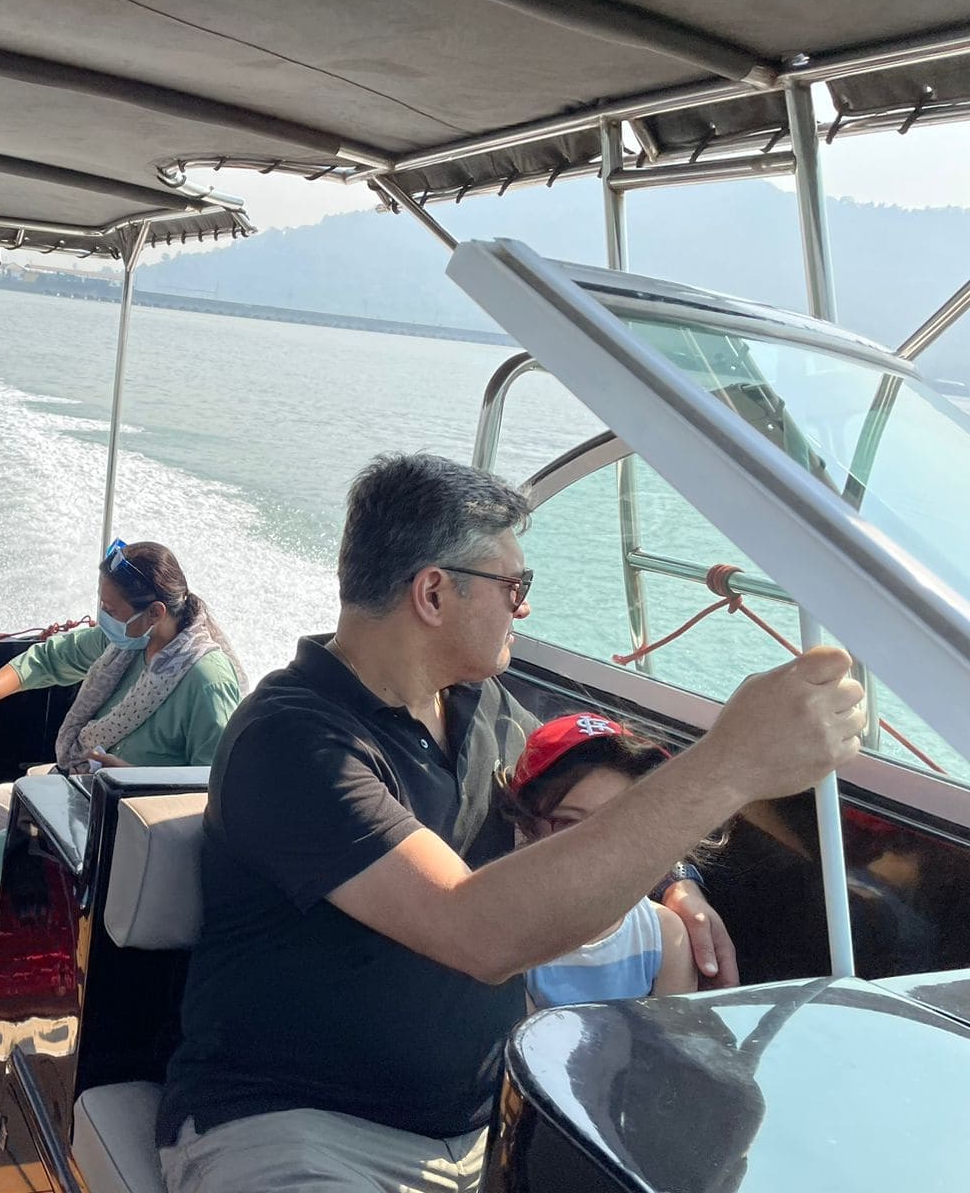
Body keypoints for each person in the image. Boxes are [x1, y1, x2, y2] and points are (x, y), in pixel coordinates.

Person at [156, 452, 865, 1193]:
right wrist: (732, 764)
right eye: (513, 585)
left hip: (482, 1129)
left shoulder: (481, 711)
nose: (523, 606)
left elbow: (605, 796)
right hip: (296, 1131)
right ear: (433, 592)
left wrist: (675, 879)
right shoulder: (297, 741)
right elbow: (475, 933)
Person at [0, 540, 246, 1000]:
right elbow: (48, 659)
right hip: (83, 792)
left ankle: (24, 975)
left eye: (110, 607)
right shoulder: (126, 643)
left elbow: (214, 795)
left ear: (154, 612)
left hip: (138, 828)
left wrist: (132, 778)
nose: (101, 617)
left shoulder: (207, 680)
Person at [503, 713, 699, 1007]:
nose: (600, 847)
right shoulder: (505, 940)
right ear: (529, 826)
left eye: (620, 822)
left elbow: (672, 1044)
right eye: (570, 822)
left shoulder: (666, 938)